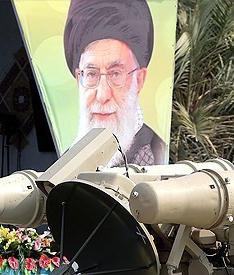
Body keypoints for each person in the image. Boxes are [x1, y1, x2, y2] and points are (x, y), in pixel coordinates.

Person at [64, 0, 166, 167]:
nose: (102, 95)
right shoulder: (68, 160)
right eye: (91, 74)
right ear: (78, 79)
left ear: (139, 79)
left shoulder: (155, 156)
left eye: (115, 74)